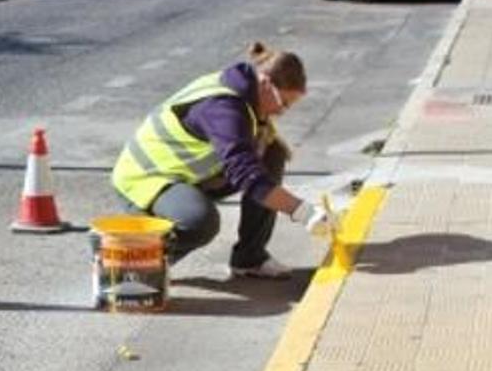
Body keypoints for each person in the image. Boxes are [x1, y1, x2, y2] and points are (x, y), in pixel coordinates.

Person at [111, 42, 336, 279]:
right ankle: (135, 266)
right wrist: (305, 213)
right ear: (266, 84)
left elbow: (252, 165)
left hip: (184, 177)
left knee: (272, 151)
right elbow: (248, 176)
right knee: (199, 221)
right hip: (145, 180)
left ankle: (250, 259)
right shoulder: (224, 109)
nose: (281, 112)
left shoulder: (244, 93)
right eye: (283, 104)